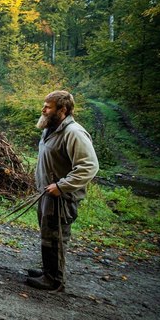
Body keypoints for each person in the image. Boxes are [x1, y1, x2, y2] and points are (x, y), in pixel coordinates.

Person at [26, 90, 99, 292]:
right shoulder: (51, 129)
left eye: (48, 106)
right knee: (48, 234)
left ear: (63, 109)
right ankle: (48, 272)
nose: (43, 109)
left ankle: (55, 280)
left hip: (61, 197)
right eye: (45, 105)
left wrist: (61, 186)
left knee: (56, 236)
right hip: (47, 194)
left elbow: (89, 166)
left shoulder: (74, 133)